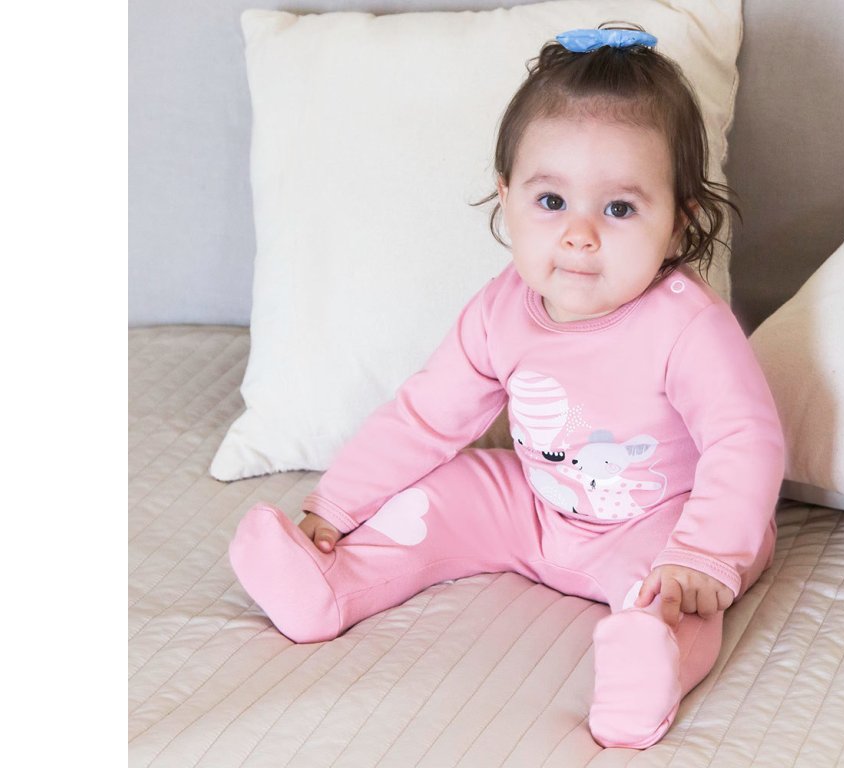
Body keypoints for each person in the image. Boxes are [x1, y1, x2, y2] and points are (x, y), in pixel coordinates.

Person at [229, 23, 784, 750]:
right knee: (445, 490)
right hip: (538, 504)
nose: (580, 235)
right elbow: (427, 417)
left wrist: (707, 552)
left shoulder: (688, 327)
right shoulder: (501, 310)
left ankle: (649, 664)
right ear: (507, 197)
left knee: (670, 595)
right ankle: (328, 585)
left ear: (679, 225)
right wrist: (336, 504)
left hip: (657, 520)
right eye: (551, 202)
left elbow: (746, 441)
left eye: (619, 208)